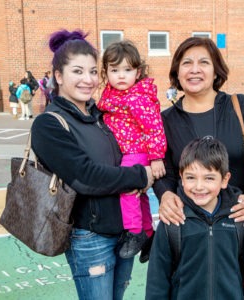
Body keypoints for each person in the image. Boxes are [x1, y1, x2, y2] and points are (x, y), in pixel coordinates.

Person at [31, 29, 154, 300]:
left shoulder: (102, 115)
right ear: (59, 76)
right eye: (77, 72)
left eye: (92, 72)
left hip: (123, 231)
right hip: (90, 237)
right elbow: (86, 177)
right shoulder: (49, 124)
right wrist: (140, 176)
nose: (88, 80)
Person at [154, 37, 244, 228]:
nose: (194, 69)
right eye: (187, 63)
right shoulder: (164, 120)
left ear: (216, 72)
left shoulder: (240, 106)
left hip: (237, 220)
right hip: (187, 223)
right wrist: (165, 194)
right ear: (177, 73)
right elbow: (163, 171)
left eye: (204, 62)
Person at [146, 137, 244, 300]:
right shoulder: (172, 220)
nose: (199, 186)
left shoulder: (240, 218)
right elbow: (157, 281)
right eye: (191, 177)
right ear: (181, 177)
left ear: (224, 180)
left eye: (209, 178)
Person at [97, 40, 167, 260]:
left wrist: (156, 158)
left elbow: (155, 127)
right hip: (127, 152)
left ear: (137, 72)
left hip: (137, 152)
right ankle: (148, 233)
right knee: (140, 196)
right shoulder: (112, 96)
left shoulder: (137, 98)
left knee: (126, 189)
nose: (120, 76)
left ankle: (134, 232)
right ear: (106, 72)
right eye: (114, 70)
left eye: (127, 70)